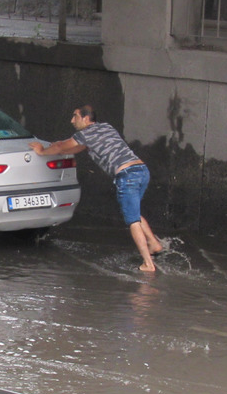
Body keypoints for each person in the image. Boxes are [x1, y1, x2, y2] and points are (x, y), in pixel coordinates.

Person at [29, 105, 163, 272]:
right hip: (141, 170)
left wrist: (42, 151)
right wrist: (60, 146)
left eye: (75, 116)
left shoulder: (83, 134)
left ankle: (148, 264)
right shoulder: (105, 127)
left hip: (126, 175)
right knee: (134, 211)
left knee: (132, 220)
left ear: (86, 118)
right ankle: (154, 244)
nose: (72, 120)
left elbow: (62, 147)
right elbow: (76, 147)